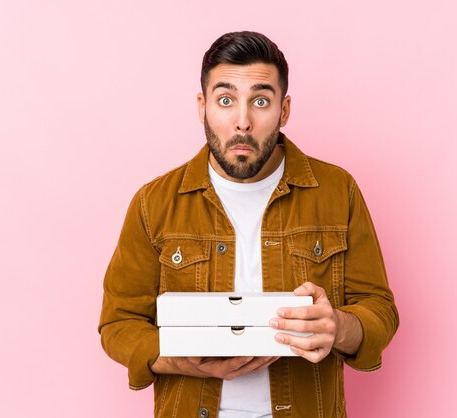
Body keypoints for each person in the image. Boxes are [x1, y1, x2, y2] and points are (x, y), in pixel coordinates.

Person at [99, 31, 399, 418]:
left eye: (260, 101)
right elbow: (118, 323)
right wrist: (181, 362)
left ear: (284, 110)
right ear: (202, 105)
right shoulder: (153, 203)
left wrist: (338, 327)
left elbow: (380, 311)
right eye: (226, 100)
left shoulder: (338, 191)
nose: (242, 122)